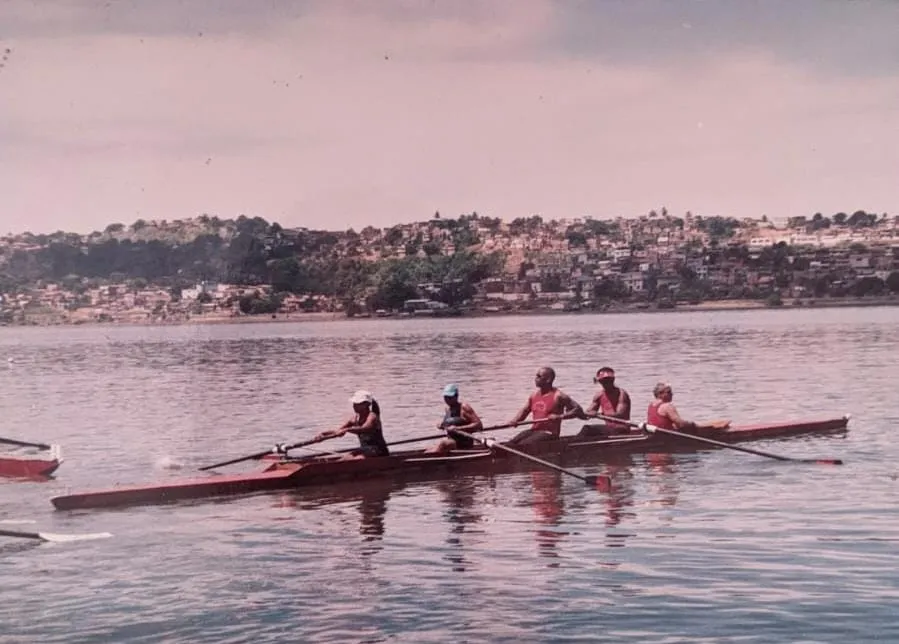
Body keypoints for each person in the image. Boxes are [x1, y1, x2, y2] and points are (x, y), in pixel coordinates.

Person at [507, 367, 588, 445]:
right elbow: (525, 410)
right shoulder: (533, 395)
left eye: (539, 376)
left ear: (548, 380)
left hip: (549, 433)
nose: (535, 378)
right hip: (534, 431)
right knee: (510, 443)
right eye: (536, 376)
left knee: (522, 445)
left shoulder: (559, 396)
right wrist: (515, 420)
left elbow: (577, 409)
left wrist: (560, 416)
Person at [313, 390, 390, 458]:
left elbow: (365, 428)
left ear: (366, 404)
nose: (354, 406)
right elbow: (339, 431)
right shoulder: (354, 419)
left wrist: (347, 429)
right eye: (354, 403)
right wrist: (323, 435)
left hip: (378, 451)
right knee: (345, 458)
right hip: (365, 450)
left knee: (358, 459)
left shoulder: (372, 416)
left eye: (358, 404)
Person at [424, 384, 484, 454]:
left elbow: (479, 425)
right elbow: (450, 423)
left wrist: (458, 428)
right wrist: (442, 425)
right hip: (452, 442)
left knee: (444, 443)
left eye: (450, 397)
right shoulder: (448, 409)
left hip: (464, 444)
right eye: (445, 397)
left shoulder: (464, 407)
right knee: (428, 449)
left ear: (456, 396)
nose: (447, 400)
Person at [647, 382, 730, 431]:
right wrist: (692, 424)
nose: (672, 394)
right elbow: (681, 425)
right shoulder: (667, 406)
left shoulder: (651, 405)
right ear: (660, 394)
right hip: (666, 436)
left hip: (657, 433)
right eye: (669, 392)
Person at [579, 366, 632, 437]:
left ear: (613, 380)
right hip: (609, 429)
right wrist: (579, 413)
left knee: (587, 429)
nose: (607, 383)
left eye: (609, 380)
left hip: (621, 429)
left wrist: (598, 414)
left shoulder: (622, 394)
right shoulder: (599, 395)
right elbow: (589, 412)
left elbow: (620, 415)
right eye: (604, 381)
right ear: (600, 381)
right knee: (587, 430)